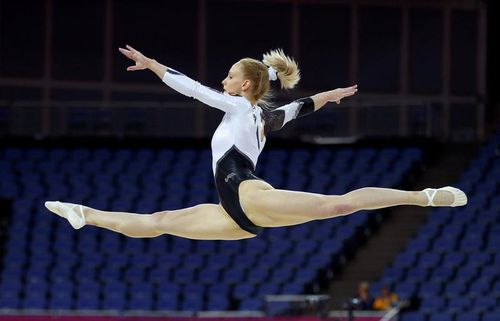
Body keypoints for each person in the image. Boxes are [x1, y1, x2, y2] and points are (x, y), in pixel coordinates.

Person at [45, 45, 467, 240]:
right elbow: (302, 107)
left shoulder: (238, 107)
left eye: (228, 77)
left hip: (247, 194)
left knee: (336, 205)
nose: (222, 82)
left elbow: (192, 89)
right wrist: (329, 96)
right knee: (160, 223)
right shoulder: (262, 116)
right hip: (237, 214)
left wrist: (153, 64)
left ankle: (425, 196)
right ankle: (85, 213)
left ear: (244, 84)